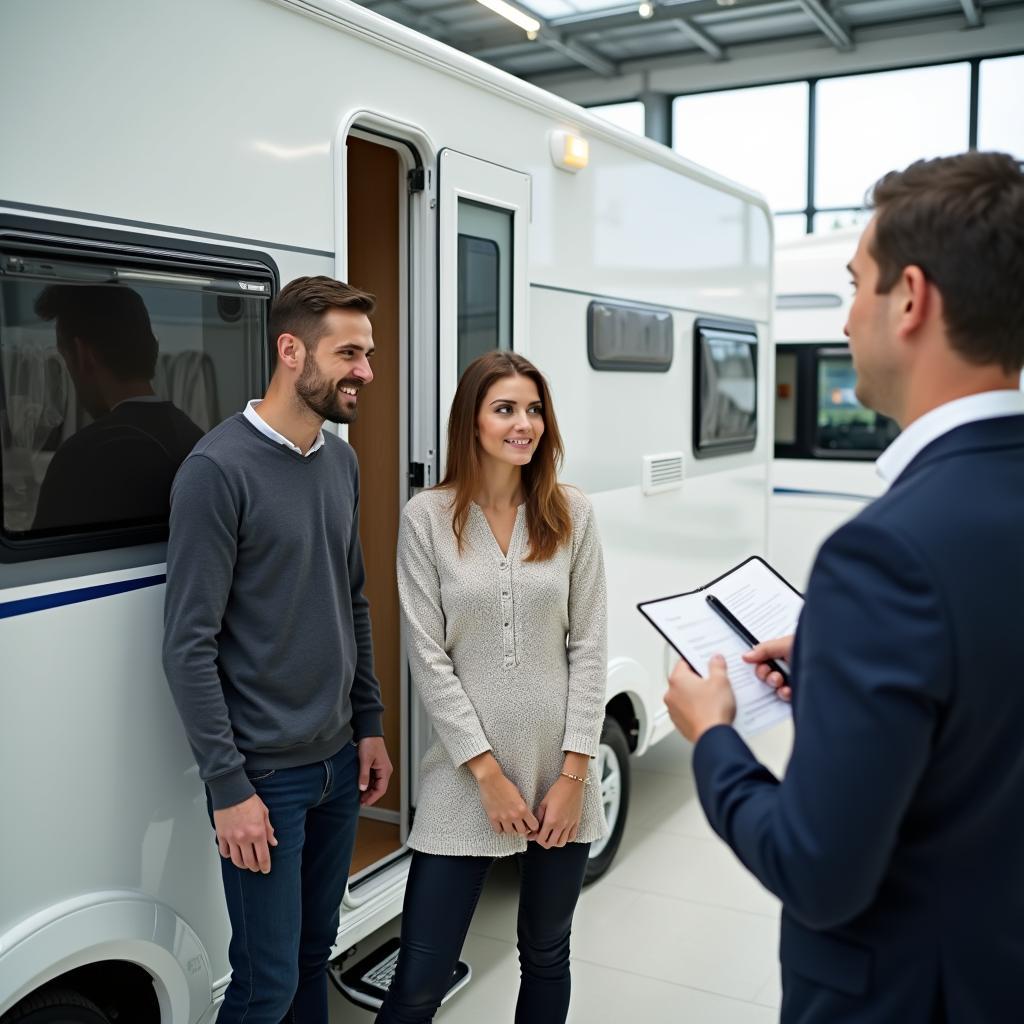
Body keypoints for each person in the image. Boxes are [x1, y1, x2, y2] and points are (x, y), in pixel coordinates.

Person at [664, 150, 1024, 1023]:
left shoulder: (888, 553)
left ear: (911, 298)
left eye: (854, 283)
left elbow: (817, 870)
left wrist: (713, 739)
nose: (847, 314)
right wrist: (836, 660)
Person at [162, 275, 393, 1024]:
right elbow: (187, 646)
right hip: (266, 776)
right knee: (265, 986)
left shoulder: (340, 463)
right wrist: (229, 787)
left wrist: (369, 724)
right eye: (349, 353)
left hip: (336, 764)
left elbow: (349, 598)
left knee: (309, 957)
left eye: (368, 353)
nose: (365, 370)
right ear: (291, 351)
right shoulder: (217, 470)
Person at [377, 351, 607, 1024]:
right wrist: (485, 772)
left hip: (560, 770)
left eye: (534, 410)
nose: (524, 424)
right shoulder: (427, 516)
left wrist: (573, 773)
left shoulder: (573, 514)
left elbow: (589, 646)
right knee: (419, 976)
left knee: (545, 953)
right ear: (470, 421)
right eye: (505, 408)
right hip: (464, 775)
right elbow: (427, 655)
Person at [31, 284, 203, 530]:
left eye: (64, 358)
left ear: (82, 355)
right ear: (153, 347)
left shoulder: (81, 457)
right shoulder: (197, 439)